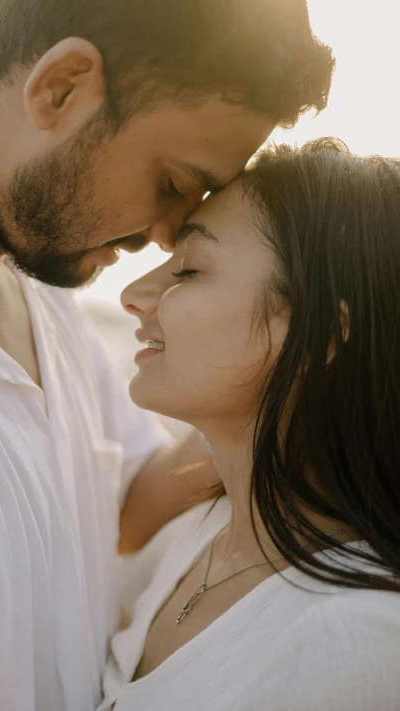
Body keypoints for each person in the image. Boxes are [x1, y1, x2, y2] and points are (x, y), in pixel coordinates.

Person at [0, 0, 334, 708]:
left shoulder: (47, 296)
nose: (168, 235)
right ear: (60, 88)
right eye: (171, 182)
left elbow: (124, 504)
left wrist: (310, 373)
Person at [101, 139, 400, 710]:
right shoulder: (189, 541)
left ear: (316, 334)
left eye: (187, 270)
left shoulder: (359, 645)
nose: (134, 296)